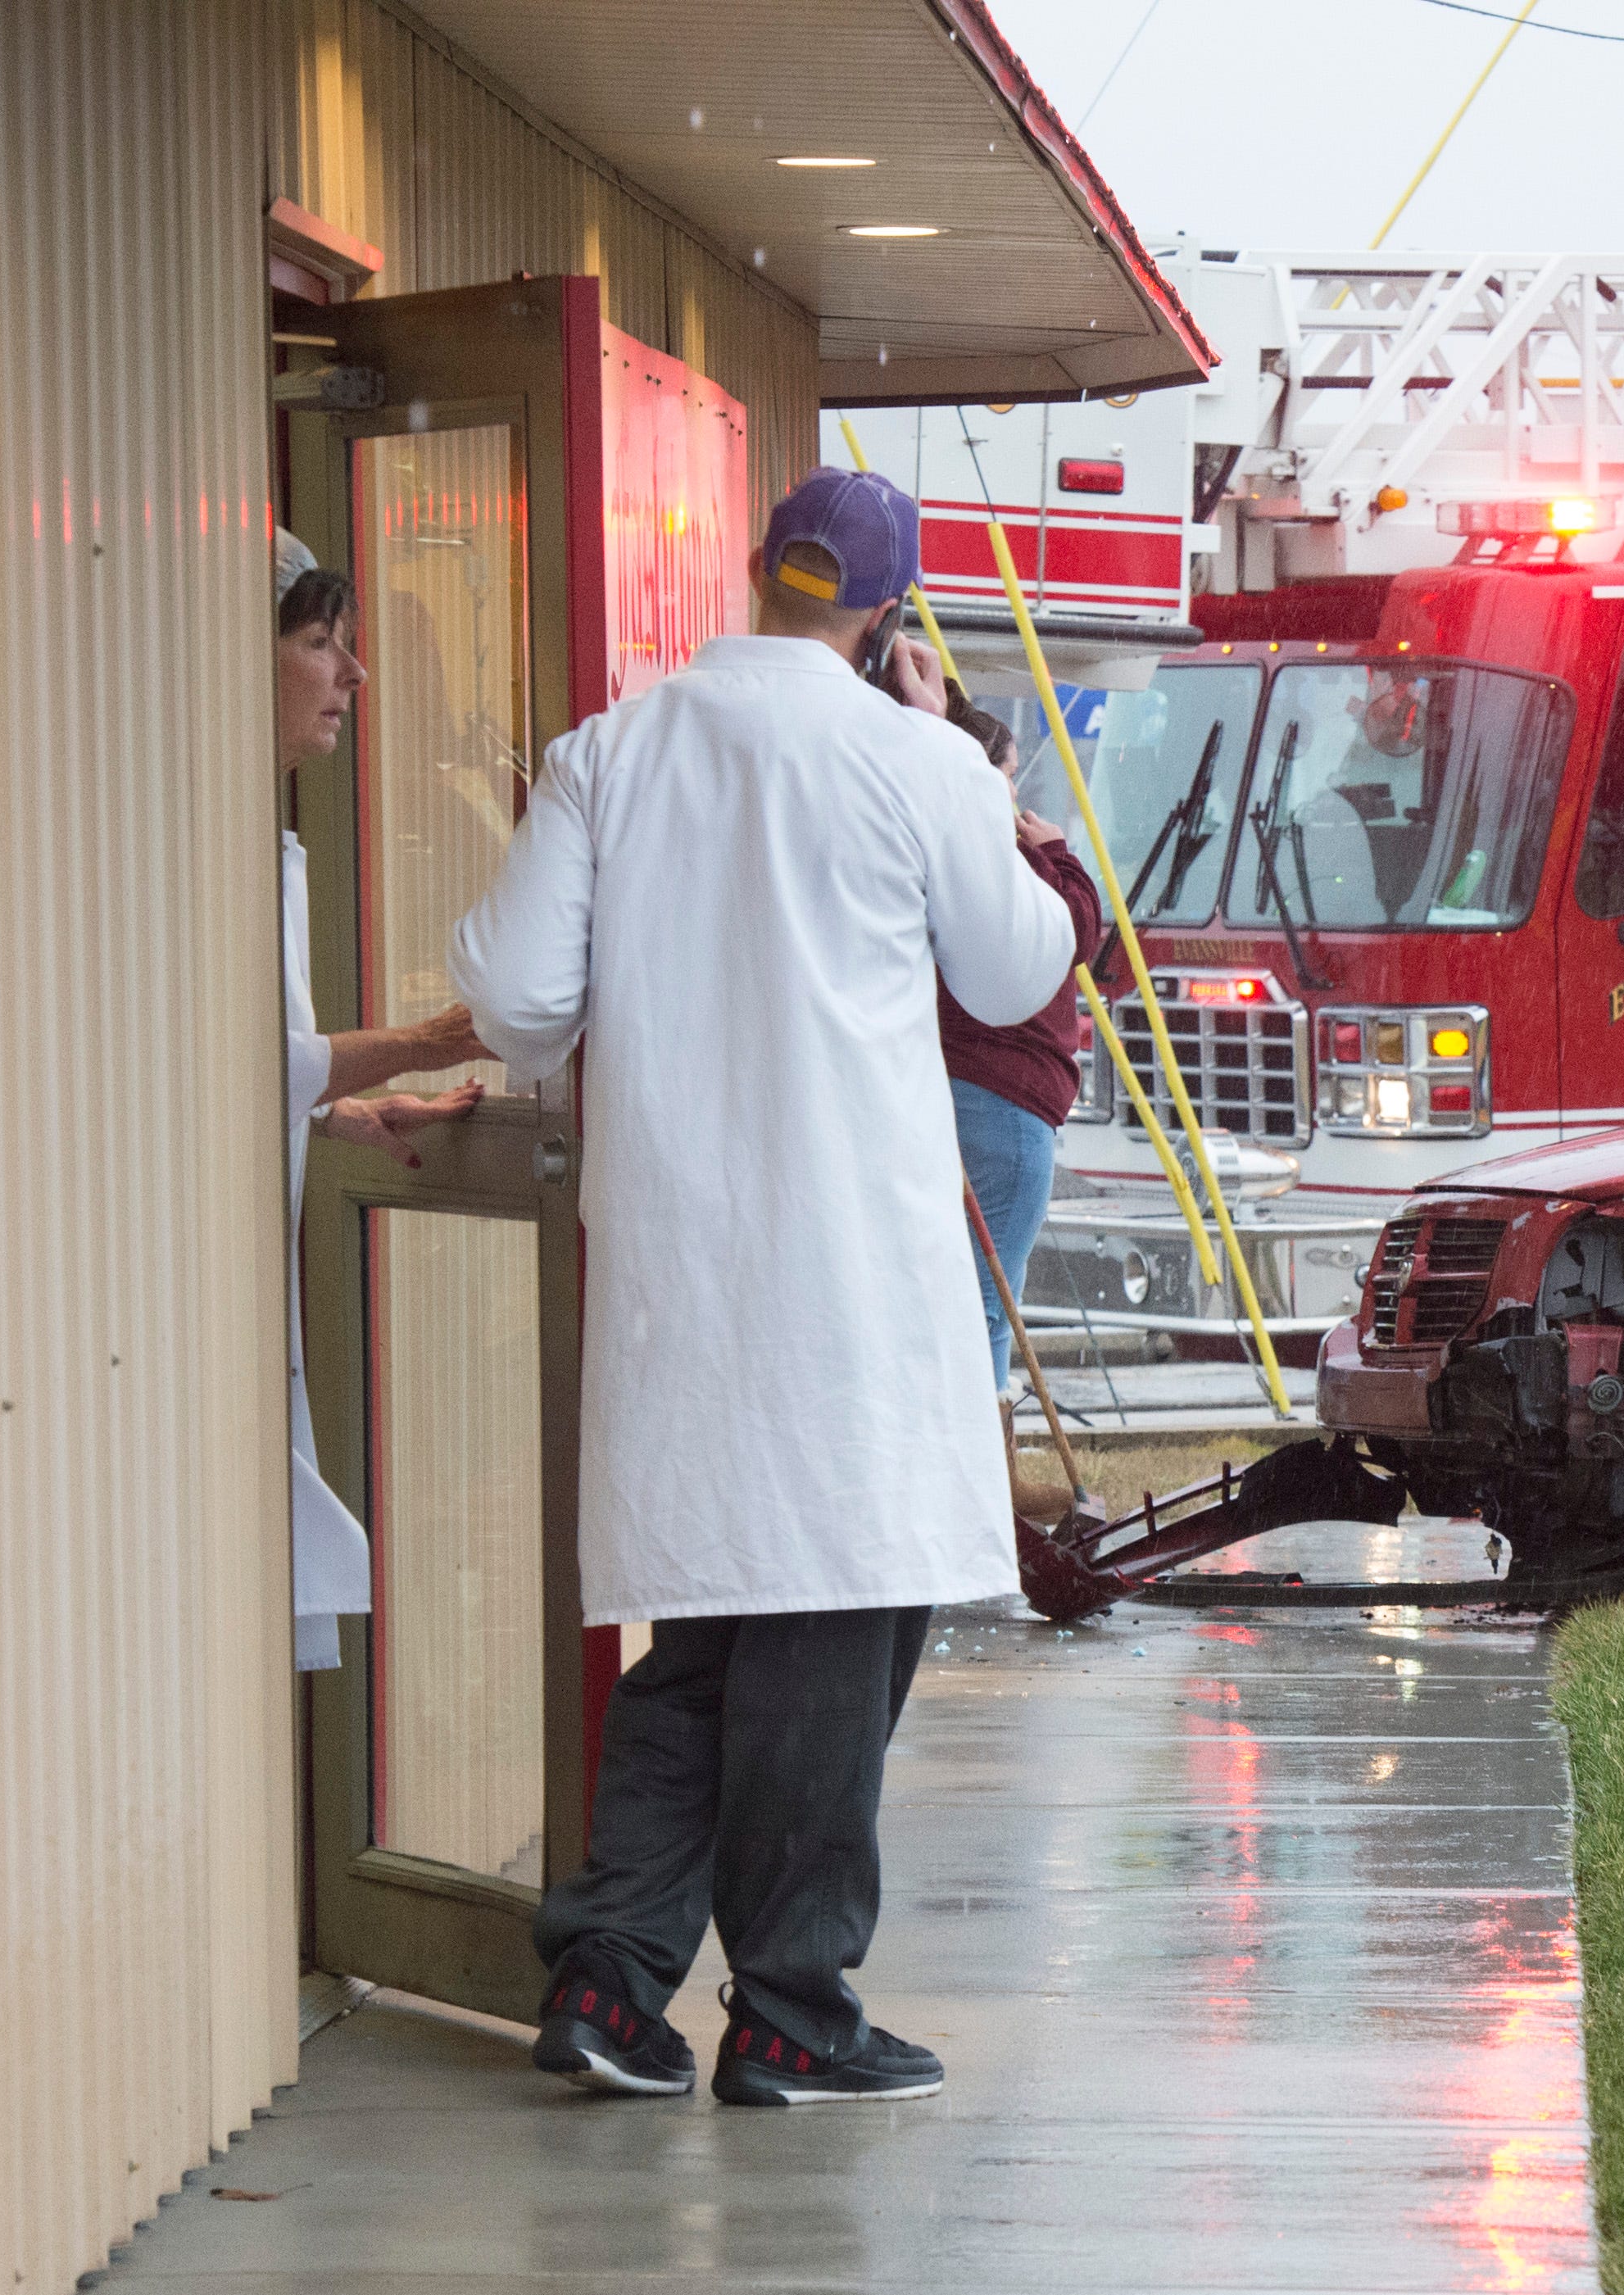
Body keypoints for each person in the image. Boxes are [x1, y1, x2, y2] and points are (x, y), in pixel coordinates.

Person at [451, 469, 1073, 2107]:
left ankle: (611, 1974)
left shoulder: (606, 755)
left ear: (751, 567)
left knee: (706, 1632)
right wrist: (971, 778)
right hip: (852, 1281)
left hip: (679, 1276)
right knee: (829, 1634)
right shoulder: (914, 759)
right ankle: (793, 2006)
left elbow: (517, 998)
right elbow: (1016, 965)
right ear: (889, 610)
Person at [272, 529, 487, 1672]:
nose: (356, 674)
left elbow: (256, 1072)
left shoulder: (263, 831)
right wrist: (426, 1041)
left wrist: (337, 1110)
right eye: (322, 641)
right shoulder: (181, 841)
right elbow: (222, 1064)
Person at [932, 687, 1123, 1433]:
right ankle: (983, 1458)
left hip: (956, 1087)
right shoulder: (1007, 862)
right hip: (1006, 1098)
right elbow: (1074, 932)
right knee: (988, 1298)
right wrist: (1058, 852)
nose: (1017, 796)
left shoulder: (937, 850)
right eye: (1011, 776)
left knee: (959, 1288)